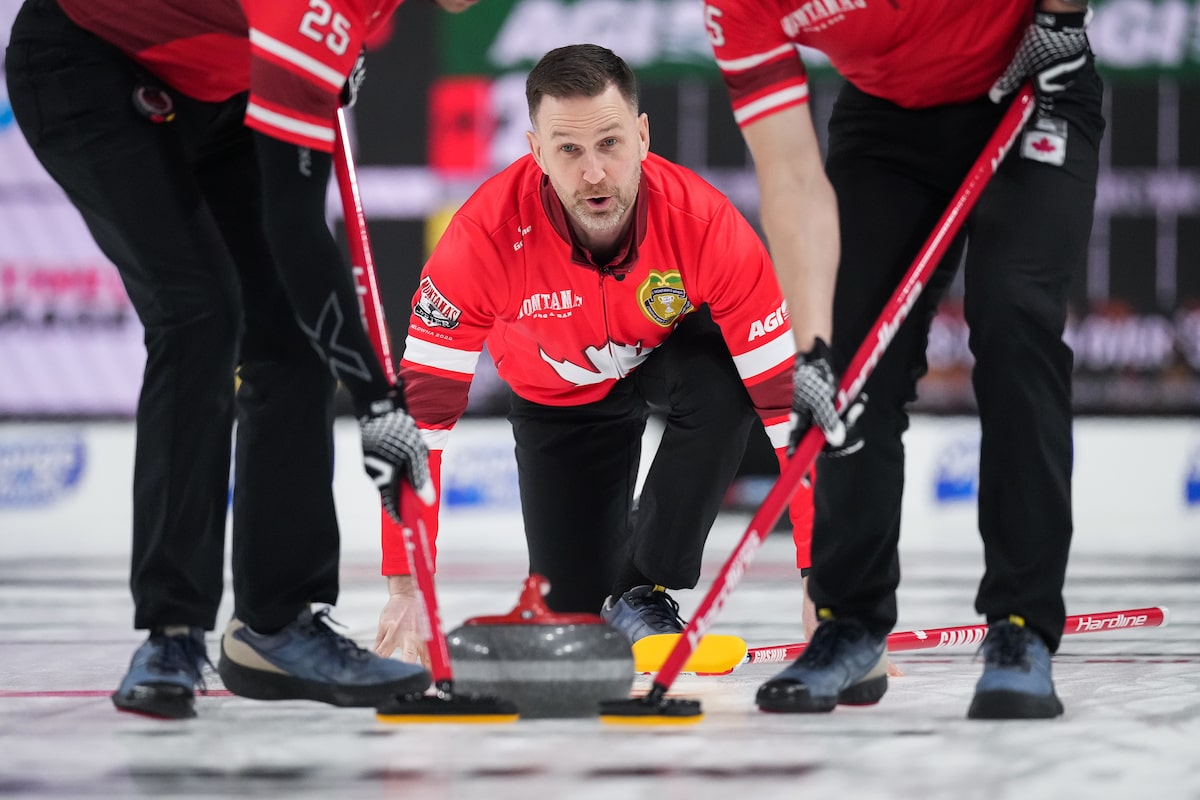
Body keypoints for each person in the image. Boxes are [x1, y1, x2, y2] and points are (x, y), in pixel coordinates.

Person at [3, 0, 480, 719]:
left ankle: (277, 623)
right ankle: (170, 633)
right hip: (87, 60)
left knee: (288, 333)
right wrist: (379, 404)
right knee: (198, 312)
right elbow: (294, 229)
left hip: (218, 89)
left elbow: (296, 227)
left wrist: (308, 67)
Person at [372, 43, 848, 665]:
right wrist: (406, 586)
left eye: (610, 143)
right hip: (557, 402)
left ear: (644, 137)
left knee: (726, 383)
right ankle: (607, 595)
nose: (594, 173)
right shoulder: (479, 242)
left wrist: (825, 589)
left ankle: (644, 586)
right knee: (577, 617)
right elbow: (421, 425)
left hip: (666, 361)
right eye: (568, 149)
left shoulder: (710, 229)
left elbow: (792, 418)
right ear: (536, 151)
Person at [707, 0, 1104, 719]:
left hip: (1029, 76)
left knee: (1015, 319)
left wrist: (1063, 18)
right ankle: (849, 624)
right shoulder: (737, 8)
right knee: (849, 365)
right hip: (889, 119)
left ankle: (1021, 630)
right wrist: (813, 349)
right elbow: (792, 179)